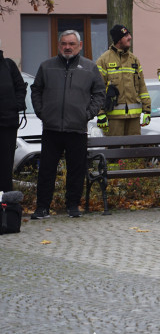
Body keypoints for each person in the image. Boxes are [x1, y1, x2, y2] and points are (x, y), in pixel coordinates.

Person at [29, 30, 105, 219]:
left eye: (71, 44)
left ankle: (73, 205)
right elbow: (36, 90)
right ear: (59, 45)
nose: (67, 47)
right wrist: (42, 112)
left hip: (77, 128)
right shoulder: (46, 66)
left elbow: (99, 93)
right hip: (51, 128)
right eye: (64, 43)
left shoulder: (89, 67)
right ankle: (42, 208)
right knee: (46, 170)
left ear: (79, 45)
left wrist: (87, 115)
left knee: (76, 170)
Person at [96, 25, 150, 136]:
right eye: (126, 36)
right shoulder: (103, 60)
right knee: (114, 150)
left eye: (129, 34)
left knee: (134, 150)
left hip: (134, 118)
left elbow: (142, 87)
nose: (130, 37)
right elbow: (97, 89)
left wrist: (147, 110)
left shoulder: (134, 60)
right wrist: (100, 113)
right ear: (118, 39)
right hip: (113, 118)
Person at [0, 41, 26, 193]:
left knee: (5, 166)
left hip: (8, 125)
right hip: (8, 122)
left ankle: (5, 205)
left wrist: (15, 105)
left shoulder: (8, 66)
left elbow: (20, 87)